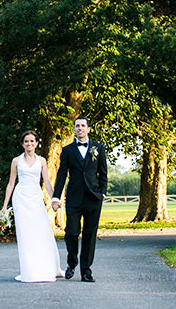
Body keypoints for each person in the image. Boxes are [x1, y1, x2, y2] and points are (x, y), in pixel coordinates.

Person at [2, 130, 64, 282]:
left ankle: (51, 267)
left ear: (37, 143)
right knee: (26, 235)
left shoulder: (41, 160)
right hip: (21, 199)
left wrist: (54, 199)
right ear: (22, 144)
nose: (29, 144)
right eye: (26, 141)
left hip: (36, 198)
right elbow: (10, 184)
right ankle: (30, 269)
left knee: (42, 232)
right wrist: (4, 206)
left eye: (32, 141)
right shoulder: (16, 161)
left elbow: (47, 182)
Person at [51, 117, 107, 283]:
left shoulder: (99, 148)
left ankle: (86, 271)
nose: (80, 128)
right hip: (74, 198)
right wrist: (56, 196)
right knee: (71, 233)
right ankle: (71, 263)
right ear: (74, 129)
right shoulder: (67, 150)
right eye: (77, 126)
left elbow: (103, 172)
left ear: (88, 129)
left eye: (83, 126)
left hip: (93, 198)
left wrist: (102, 192)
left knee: (90, 235)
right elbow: (61, 175)